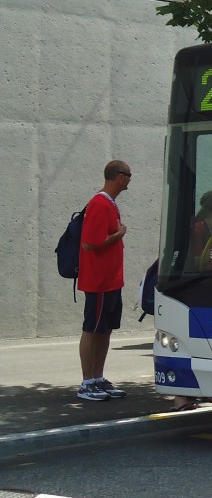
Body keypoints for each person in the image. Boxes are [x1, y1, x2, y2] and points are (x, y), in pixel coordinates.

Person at [76, 160, 132, 401]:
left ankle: (98, 378)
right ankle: (87, 382)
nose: (130, 179)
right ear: (119, 177)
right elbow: (90, 242)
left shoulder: (109, 204)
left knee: (105, 329)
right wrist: (118, 234)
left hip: (111, 281)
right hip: (98, 281)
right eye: (128, 175)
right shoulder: (100, 203)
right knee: (92, 328)